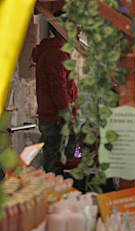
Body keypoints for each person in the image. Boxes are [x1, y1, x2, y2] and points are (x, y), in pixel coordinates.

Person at [32, 11, 78, 175]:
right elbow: (58, 89)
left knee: (57, 168)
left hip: (57, 119)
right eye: (74, 26)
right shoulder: (55, 54)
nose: (78, 31)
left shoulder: (57, 52)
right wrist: (70, 118)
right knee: (57, 171)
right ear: (62, 28)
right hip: (58, 120)